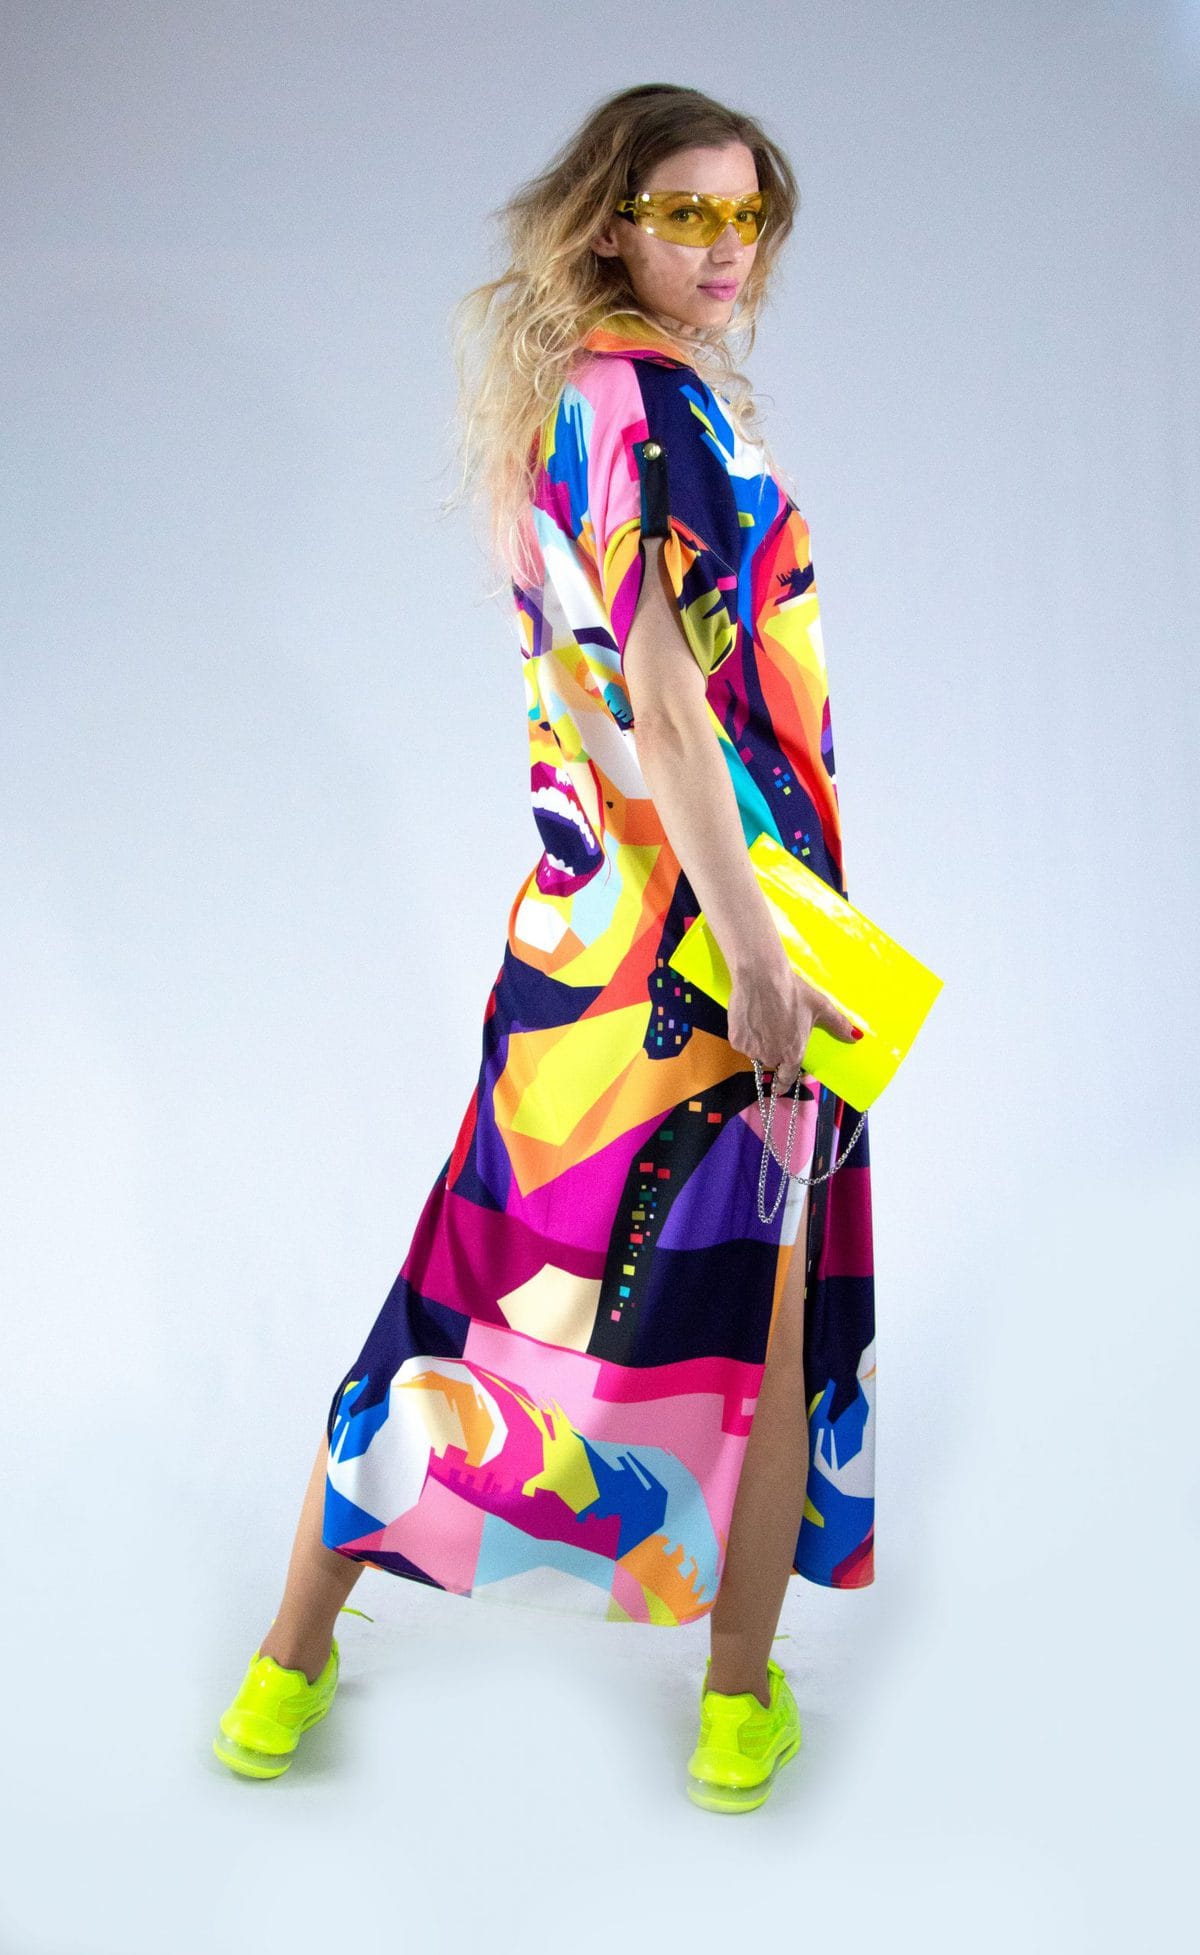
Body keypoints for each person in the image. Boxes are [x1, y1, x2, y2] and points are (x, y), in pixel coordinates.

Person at [213, 82, 877, 1814]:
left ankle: (284, 1671)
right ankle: (736, 1710)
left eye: (747, 216)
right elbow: (666, 703)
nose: (725, 248)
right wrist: (756, 949)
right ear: (611, 222)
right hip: (721, 937)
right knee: (765, 1313)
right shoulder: (652, 411)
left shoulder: (574, 400)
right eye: (687, 213)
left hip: (581, 942)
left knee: (466, 1284)